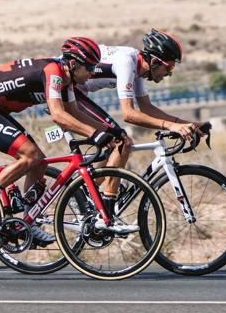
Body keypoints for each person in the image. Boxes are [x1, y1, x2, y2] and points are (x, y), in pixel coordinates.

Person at [0, 36, 137, 244]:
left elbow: (75, 113)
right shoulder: (54, 72)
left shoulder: (67, 80)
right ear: (73, 64)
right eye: (89, 67)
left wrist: (111, 132)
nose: (92, 73)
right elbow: (58, 115)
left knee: (39, 163)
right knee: (31, 155)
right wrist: (94, 134)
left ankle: (30, 221)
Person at [73, 29, 209, 200]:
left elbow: (146, 108)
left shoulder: (139, 69)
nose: (168, 74)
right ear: (154, 61)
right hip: (69, 94)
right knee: (122, 142)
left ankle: (87, 194)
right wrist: (172, 126)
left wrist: (186, 124)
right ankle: (106, 207)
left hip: (78, 95)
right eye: (168, 68)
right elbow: (129, 114)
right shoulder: (126, 63)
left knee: (115, 141)